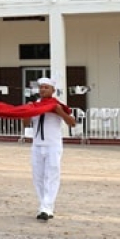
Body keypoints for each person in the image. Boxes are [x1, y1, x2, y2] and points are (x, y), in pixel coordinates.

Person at [29, 77, 76, 221]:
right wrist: (27, 111)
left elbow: (72, 123)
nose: (43, 90)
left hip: (52, 144)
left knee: (52, 175)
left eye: (46, 87)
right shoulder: (35, 105)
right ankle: (43, 204)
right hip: (37, 144)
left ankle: (47, 207)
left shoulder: (58, 105)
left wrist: (59, 112)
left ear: (53, 90)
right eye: (41, 87)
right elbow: (26, 123)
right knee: (38, 177)